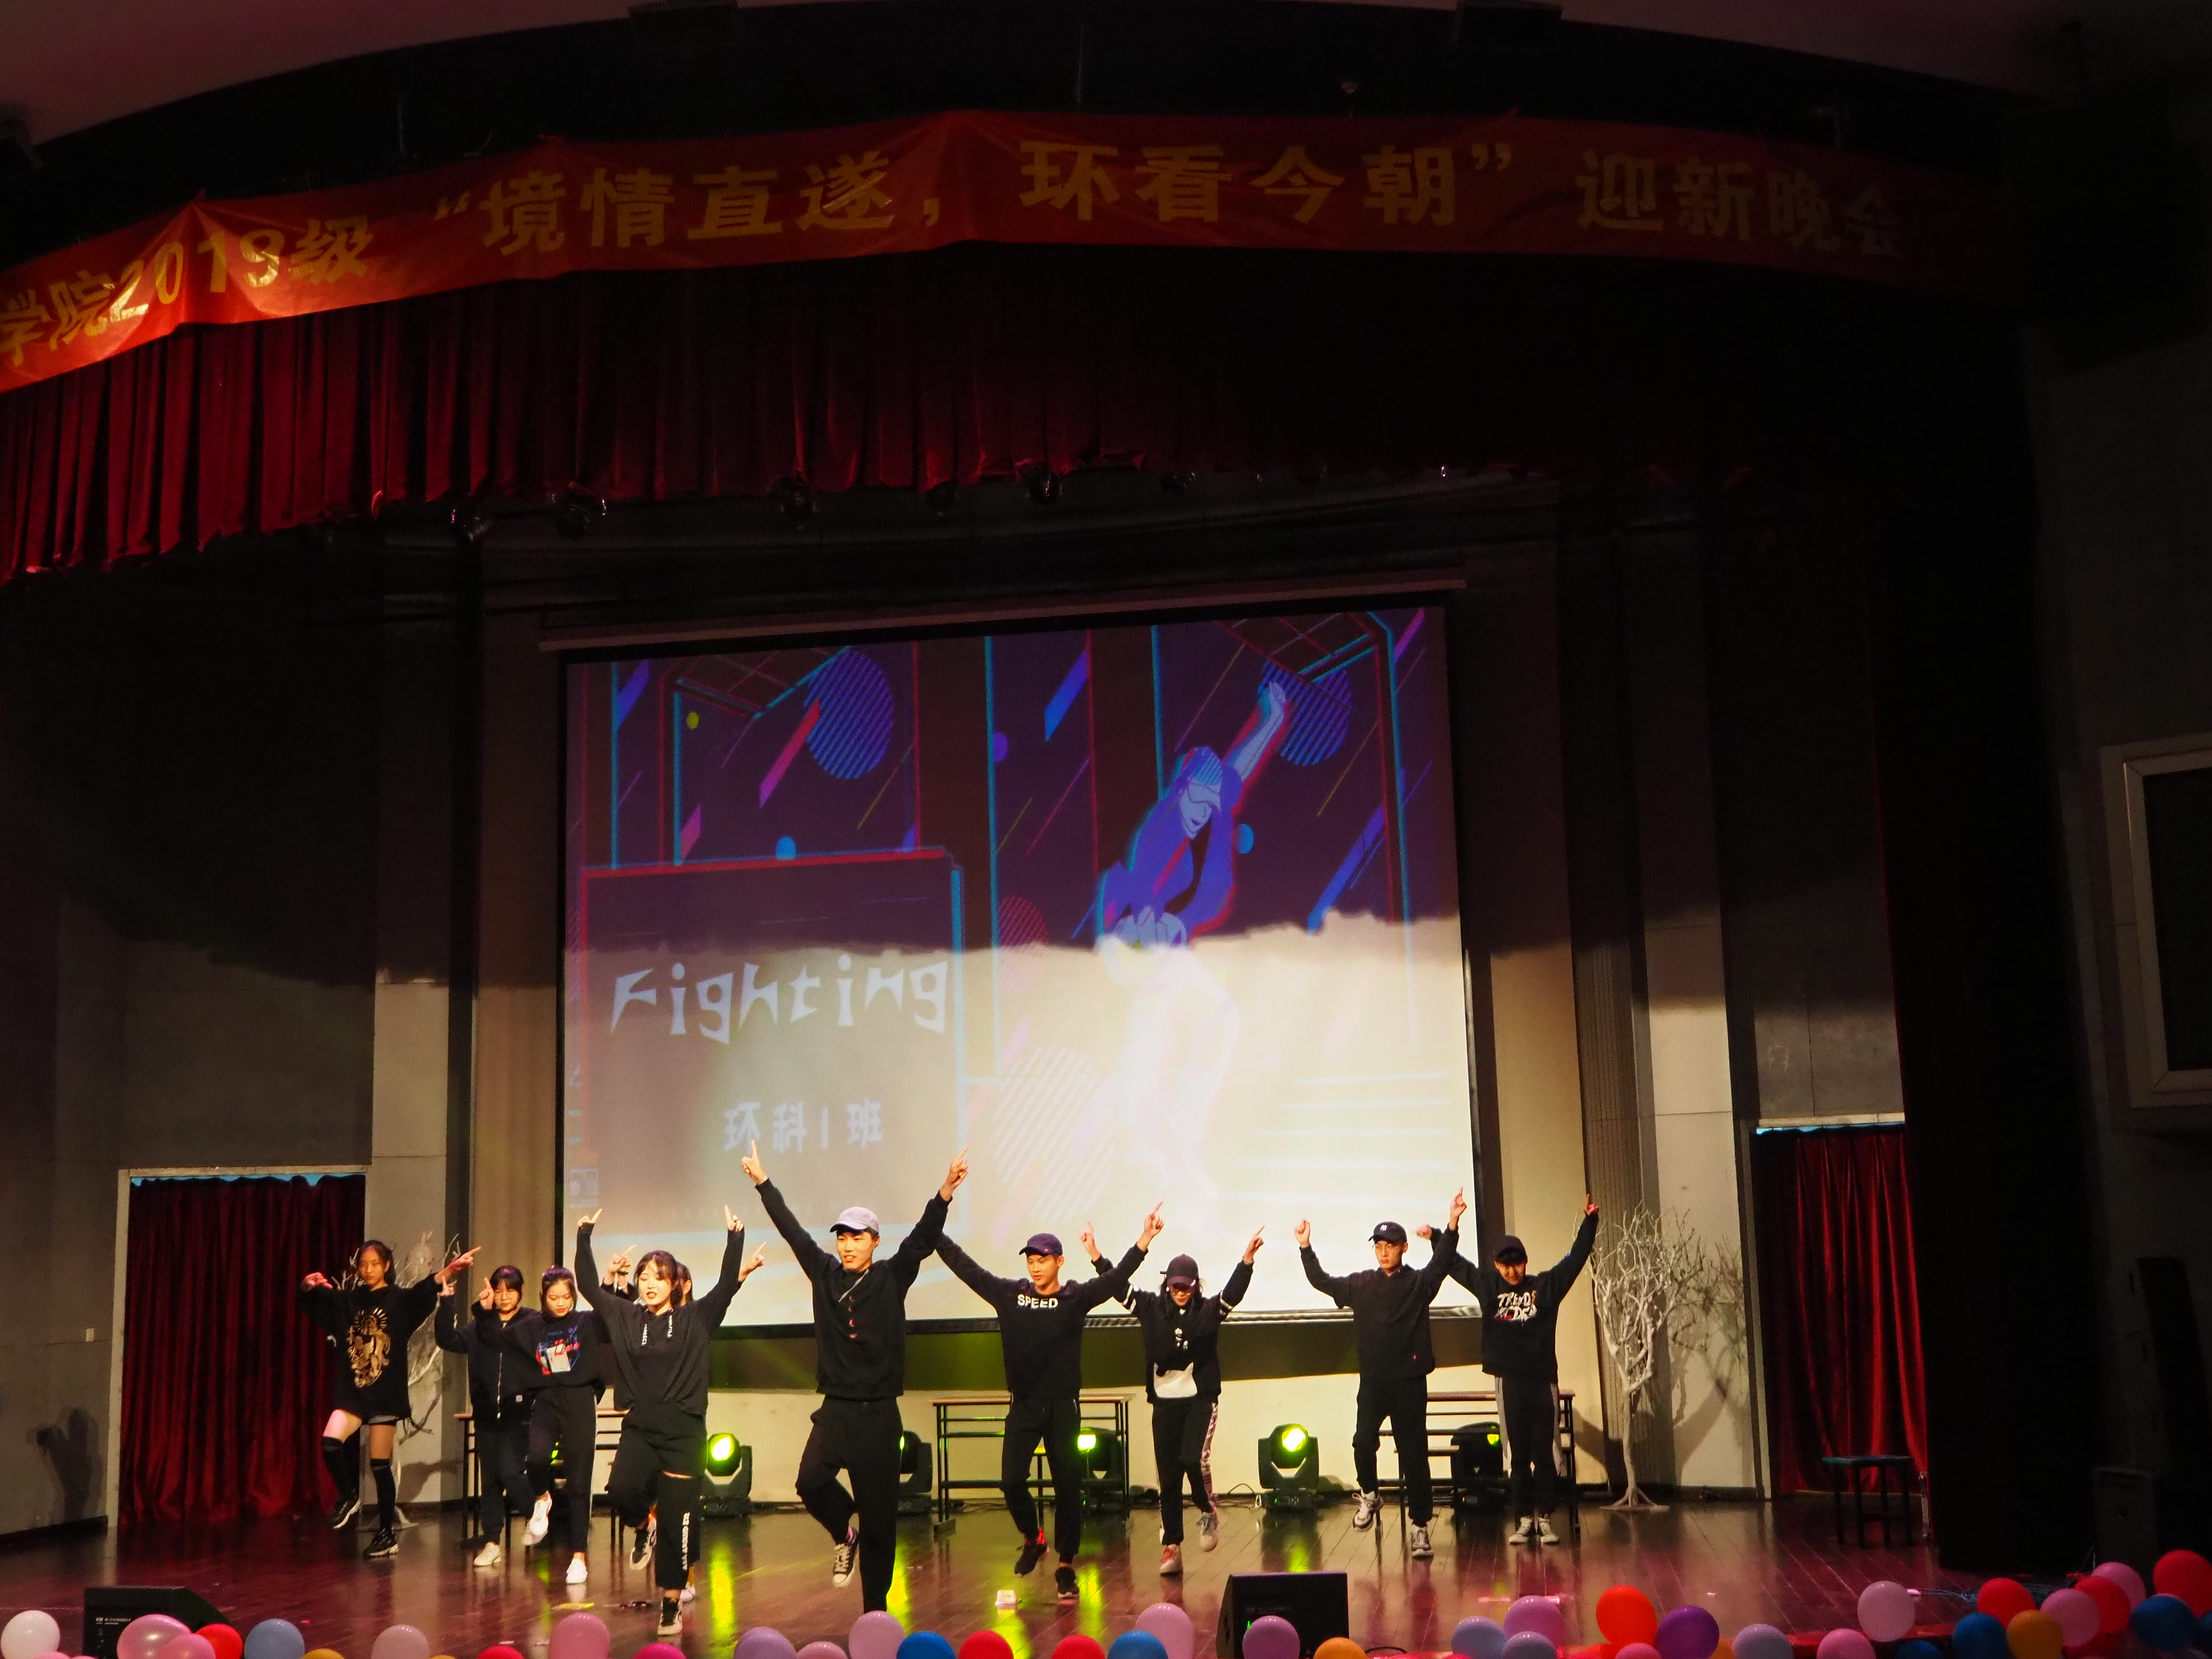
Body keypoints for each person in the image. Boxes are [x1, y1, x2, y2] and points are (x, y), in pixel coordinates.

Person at [743, 1140, 968, 1613]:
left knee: (881, 1524)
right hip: (837, 1411)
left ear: (875, 1242)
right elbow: (793, 1233)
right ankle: (845, 1534)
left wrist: (946, 1190)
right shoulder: (824, 1273)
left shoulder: (891, 1277)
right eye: (842, 1237)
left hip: (880, 1417)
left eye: (858, 1237)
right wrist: (764, 1184)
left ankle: (875, 1616)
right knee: (810, 1483)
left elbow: (922, 1239)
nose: (847, 1245)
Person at [938, 1205, 1164, 1603]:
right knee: (1011, 1481)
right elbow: (967, 1269)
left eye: (1043, 1259)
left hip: (1063, 1407)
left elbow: (1115, 1279)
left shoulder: (1076, 1297)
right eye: (1030, 1260)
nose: (1035, 1266)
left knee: (1067, 1489)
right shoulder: (1011, 1295)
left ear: (1059, 1261)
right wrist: (933, 1232)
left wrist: (1144, 1239)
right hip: (1024, 1405)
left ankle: (1065, 1566)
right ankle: (1034, 1538)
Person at [575, 1209, 764, 1638]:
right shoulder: (626, 1316)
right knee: (622, 1492)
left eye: (659, 1277)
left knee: (679, 1521)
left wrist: (735, 1238)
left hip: (684, 1434)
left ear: (674, 1284)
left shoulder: (696, 1318)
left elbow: (726, 1286)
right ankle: (646, 1527)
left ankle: (671, 1604)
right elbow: (587, 1285)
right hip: (641, 1428)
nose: (650, 1283)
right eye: (644, 1276)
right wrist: (584, 1235)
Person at [1296, 1190, 1465, 1560]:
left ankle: (1420, 1527)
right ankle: (1370, 1495)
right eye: (1378, 1246)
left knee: (1414, 1455)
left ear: (1404, 1248)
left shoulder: (1418, 1283)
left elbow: (1442, 1262)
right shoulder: (1362, 1284)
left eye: (1390, 1246)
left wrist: (1452, 1223)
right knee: (1362, 1441)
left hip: (1409, 1383)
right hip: (1374, 1383)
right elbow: (1323, 1281)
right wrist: (1306, 1247)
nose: (1384, 1252)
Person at [1089, 1226, 1262, 1575]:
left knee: (1192, 1458)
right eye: (1175, 1286)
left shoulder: (1207, 1311)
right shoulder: (1151, 1308)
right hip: (1165, 1403)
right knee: (1168, 1476)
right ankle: (1172, 1546)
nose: (1181, 1292)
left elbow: (1233, 1294)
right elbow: (1117, 1286)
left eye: (1187, 1286)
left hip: (1200, 1399)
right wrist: (1096, 1256)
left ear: (1196, 1285)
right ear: (1167, 1285)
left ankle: (1207, 1510)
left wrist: (1246, 1261)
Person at [299, 1238, 480, 1560]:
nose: (368, 1270)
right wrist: (306, 1285)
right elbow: (311, 1302)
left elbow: (425, 1289)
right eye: (363, 1265)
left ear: (386, 1266)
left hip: (385, 1394)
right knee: (330, 1443)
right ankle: (349, 1495)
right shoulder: (348, 1301)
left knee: (380, 1465)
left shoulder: (399, 1300)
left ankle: (386, 1534)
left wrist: (451, 1269)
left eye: (374, 1264)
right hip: (353, 1393)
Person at [1433, 1195, 1599, 1544]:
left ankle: (1546, 1518)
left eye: (1518, 1264)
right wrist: (1443, 1231)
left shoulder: (1544, 1288)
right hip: (1509, 1382)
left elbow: (1575, 1260)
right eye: (1505, 1266)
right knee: (1518, 1455)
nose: (1512, 1272)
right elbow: (1456, 1266)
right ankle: (1524, 1519)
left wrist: (1590, 1223)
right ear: (1497, 1265)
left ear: (1526, 1262)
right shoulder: (1489, 1287)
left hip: (1542, 1381)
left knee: (1545, 1454)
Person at [499, 1265, 607, 1587]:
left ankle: (579, 1557)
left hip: (580, 1400)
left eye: (566, 1297)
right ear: (543, 1297)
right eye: (554, 1297)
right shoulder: (533, 1326)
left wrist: (611, 1280)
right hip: (546, 1400)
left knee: (578, 1480)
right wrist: (486, 1308)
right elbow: (498, 1337)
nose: (561, 1303)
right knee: (536, 1458)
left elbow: (612, 1310)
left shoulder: (585, 1322)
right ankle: (543, 1498)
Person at [436, 1265, 538, 1567]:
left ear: (521, 1291)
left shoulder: (531, 1322)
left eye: (511, 1290)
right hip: (486, 1413)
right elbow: (448, 1340)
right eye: (499, 1291)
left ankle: (539, 1514)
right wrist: (447, 1303)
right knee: (490, 1478)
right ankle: (492, 1541)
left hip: (520, 1413)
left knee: (510, 1471)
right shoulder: (481, 1324)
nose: (504, 1297)